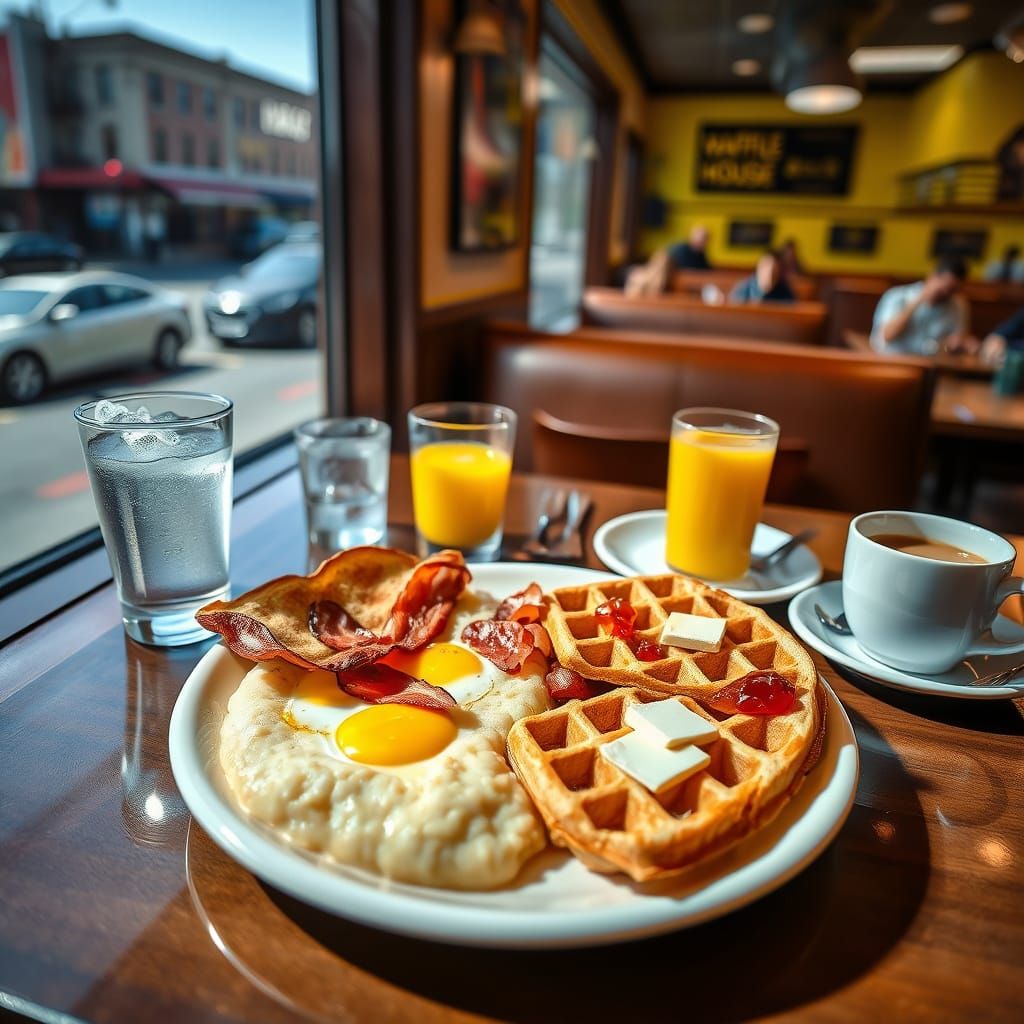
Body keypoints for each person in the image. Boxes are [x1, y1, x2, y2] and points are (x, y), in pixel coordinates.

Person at [870, 257, 969, 356]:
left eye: (953, 290)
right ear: (933, 276)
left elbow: (956, 342)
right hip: (892, 362)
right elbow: (887, 336)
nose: (946, 294)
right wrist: (918, 301)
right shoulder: (897, 296)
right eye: (945, 288)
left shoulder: (956, 305)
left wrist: (957, 344)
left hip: (931, 365)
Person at [729, 250, 795, 304]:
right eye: (765, 267)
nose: (769, 273)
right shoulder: (743, 289)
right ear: (759, 268)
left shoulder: (785, 292)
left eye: (774, 270)